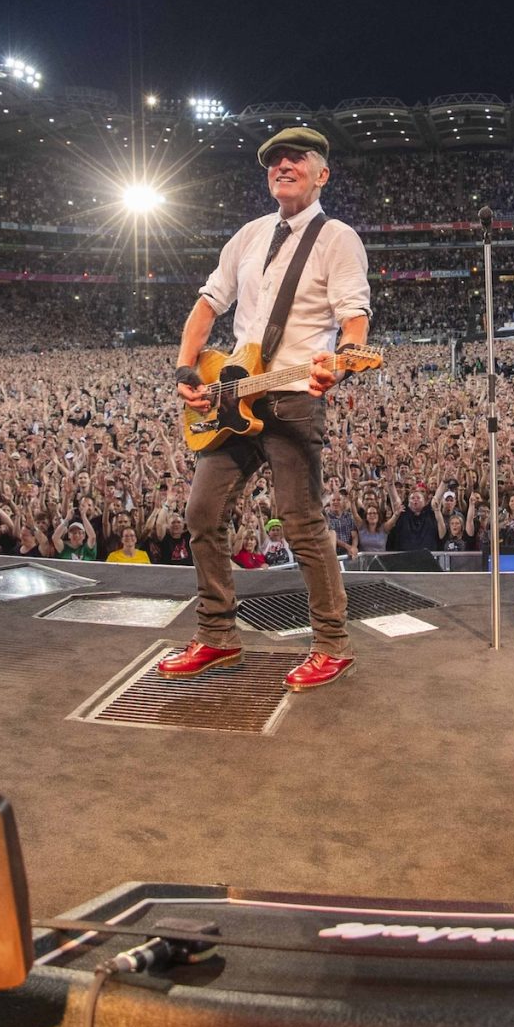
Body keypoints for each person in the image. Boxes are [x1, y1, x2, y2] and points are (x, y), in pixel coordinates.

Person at [162, 126, 372, 692]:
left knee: (300, 522)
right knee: (203, 513)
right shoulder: (249, 236)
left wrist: (345, 359)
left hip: (295, 395)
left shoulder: (338, 238)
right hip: (232, 394)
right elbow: (208, 304)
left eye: (295, 159)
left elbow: (353, 318)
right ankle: (216, 637)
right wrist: (188, 369)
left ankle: (331, 645)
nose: (282, 166)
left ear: (321, 173)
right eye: (274, 160)